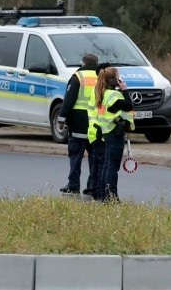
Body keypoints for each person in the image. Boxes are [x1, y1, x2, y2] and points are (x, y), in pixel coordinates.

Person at [89, 66, 135, 202]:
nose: (121, 78)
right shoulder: (114, 95)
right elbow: (129, 105)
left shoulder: (103, 92)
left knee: (107, 165)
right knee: (112, 167)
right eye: (119, 76)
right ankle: (111, 197)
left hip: (107, 132)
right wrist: (125, 89)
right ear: (114, 80)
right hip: (114, 132)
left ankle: (105, 196)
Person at [57, 53, 100, 195]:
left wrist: (61, 119)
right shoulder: (101, 77)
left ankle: (74, 185)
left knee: (75, 155)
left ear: (83, 63)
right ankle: (93, 187)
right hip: (96, 123)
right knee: (95, 157)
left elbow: (69, 100)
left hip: (78, 123)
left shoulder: (78, 77)